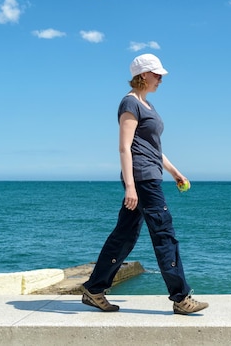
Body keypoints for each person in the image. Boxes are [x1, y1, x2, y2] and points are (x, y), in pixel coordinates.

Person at [81, 54, 208, 315]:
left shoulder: (147, 105)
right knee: (164, 234)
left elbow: (153, 148)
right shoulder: (130, 103)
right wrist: (130, 185)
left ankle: (94, 289)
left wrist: (174, 172)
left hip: (149, 175)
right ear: (143, 75)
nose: (160, 79)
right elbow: (124, 147)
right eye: (156, 74)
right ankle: (181, 298)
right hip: (142, 180)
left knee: (124, 237)